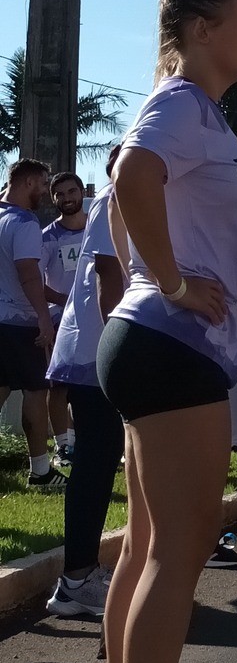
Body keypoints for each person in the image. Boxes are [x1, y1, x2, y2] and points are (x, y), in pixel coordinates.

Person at [92, 0, 237, 663]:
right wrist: (166, 280)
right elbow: (130, 175)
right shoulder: (185, 106)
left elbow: (141, 190)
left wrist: (152, 276)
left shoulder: (195, 108)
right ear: (200, 29)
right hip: (172, 347)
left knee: (146, 550)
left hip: (157, 344)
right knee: (177, 550)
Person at [44, 152, 124, 618]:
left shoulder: (121, 199)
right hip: (97, 352)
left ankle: (82, 572)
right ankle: (76, 579)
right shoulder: (114, 200)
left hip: (100, 349)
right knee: (96, 462)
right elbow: (108, 272)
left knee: (102, 458)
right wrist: (122, 344)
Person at [0, 157, 61, 489]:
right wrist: (43, 317)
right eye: (42, 183)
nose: (45, 191)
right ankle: (40, 470)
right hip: (21, 323)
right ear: (26, 183)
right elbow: (28, 274)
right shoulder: (25, 223)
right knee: (37, 391)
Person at [40, 169, 88, 460]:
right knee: (60, 384)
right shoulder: (47, 237)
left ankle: (96, 441)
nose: (67, 198)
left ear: (82, 192)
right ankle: (63, 445)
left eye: (72, 192)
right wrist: (65, 300)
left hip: (97, 317)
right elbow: (35, 282)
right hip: (61, 320)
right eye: (60, 194)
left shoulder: (98, 228)